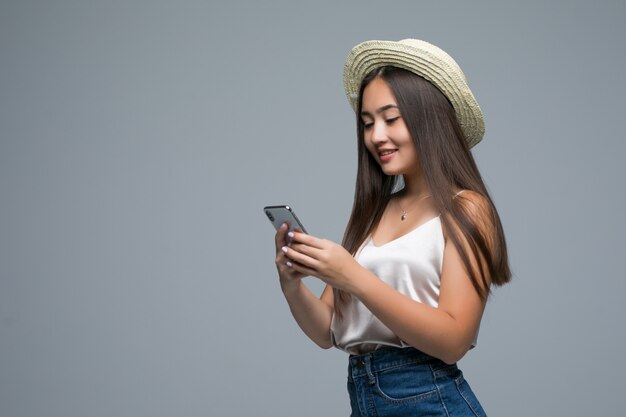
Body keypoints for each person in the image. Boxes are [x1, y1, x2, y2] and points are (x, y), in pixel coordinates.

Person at [273, 39, 512, 417]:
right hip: (364, 398)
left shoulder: (467, 208)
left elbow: (453, 341)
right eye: (367, 124)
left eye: (390, 118)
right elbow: (327, 331)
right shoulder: (374, 212)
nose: (375, 136)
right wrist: (291, 284)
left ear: (427, 117)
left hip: (430, 399)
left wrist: (352, 275)